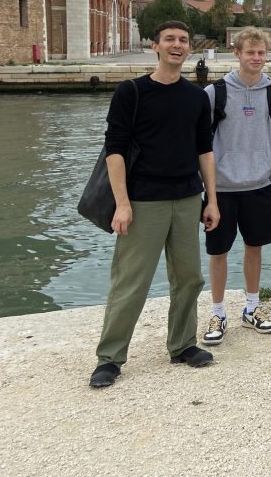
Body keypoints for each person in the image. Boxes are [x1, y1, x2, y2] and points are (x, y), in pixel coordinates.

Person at [89, 21, 219, 388]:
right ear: (155, 46)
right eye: (170, 40)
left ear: (189, 49)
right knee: (131, 281)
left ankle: (182, 345)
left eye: (183, 41)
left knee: (189, 278)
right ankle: (110, 358)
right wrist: (122, 204)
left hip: (186, 197)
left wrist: (212, 199)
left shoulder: (196, 97)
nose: (177, 45)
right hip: (143, 200)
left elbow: (204, 151)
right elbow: (115, 150)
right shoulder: (132, 92)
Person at [201, 28, 271, 346]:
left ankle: (252, 307)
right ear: (236, 53)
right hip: (221, 188)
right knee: (218, 252)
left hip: (259, 186)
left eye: (261, 53)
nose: (256, 58)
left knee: (255, 248)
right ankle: (218, 312)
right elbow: (202, 142)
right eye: (250, 52)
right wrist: (208, 186)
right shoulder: (215, 93)